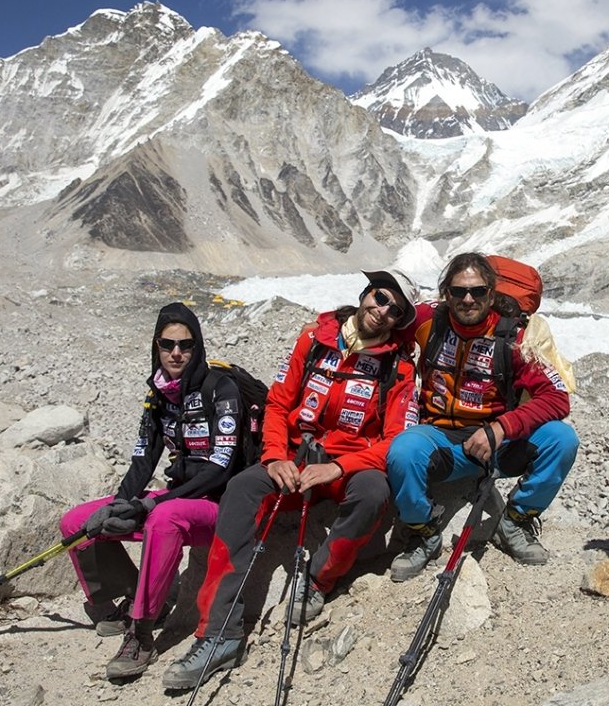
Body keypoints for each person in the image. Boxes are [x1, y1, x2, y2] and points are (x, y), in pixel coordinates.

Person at [162, 269, 419, 691]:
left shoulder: (399, 366)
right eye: (380, 296)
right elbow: (279, 403)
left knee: (374, 492)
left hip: (346, 465)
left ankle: (318, 580)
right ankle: (219, 633)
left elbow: (394, 439)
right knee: (243, 489)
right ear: (365, 294)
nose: (383, 310)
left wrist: (339, 468)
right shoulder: (313, 339)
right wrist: (275, 456)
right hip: (294, 458)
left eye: (396, 309)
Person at [59, 302, 243, 680]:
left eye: (186, 345)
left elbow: (219, 467)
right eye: (167, 344)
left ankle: (141, 633)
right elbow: (142, 461)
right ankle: (119, 605)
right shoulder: (158, 395)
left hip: (216, 504)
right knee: (77, 522)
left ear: (198, 347)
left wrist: (150, 504)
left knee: (162, 517)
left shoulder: (221, 389)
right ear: (156, 347)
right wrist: (124, 505)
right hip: (176, 498)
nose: (176, 352)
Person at [385, 252, 579, 582]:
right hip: (441, 440)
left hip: (498, 444)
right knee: (403, 452)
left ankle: (513, 523)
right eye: (458, 291)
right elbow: (380, 320)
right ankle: (426, 532)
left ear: (492, 292)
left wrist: (502, 428)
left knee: (562, 439)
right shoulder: (427, 322)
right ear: (445, 293)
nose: (468, 299)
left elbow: (557, 397)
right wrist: (330, 325)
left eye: (478, 291)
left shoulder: (514, 337)